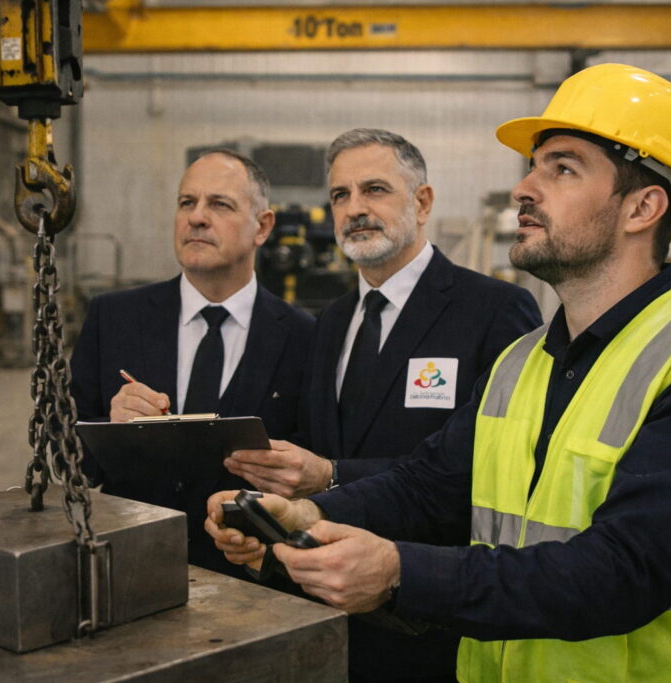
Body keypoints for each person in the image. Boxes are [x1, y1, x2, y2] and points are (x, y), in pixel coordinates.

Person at [207, 64, 671, 682]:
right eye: (533, 166)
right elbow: (430, 483)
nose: (524, 187)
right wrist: (312, 514)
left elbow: (623, 572)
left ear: (643, 206)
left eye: (562, 168)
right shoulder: (525, 361)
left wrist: (400, 572)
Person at [224, 129, 540, 682]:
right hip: (330, 604)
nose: (355, 209)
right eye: (341, 195)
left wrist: (331, 476)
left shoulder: (493, 310)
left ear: (422, 202)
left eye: (374, 190)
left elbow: (488, 464)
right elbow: (311, 445)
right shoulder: (331, 322)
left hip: (432, 613)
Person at [71, 149, 315, 579]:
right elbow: (61, 450)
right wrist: (108, 430)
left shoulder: (304, 336)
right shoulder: (114, 319)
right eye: (187, 202)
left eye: (219, 204)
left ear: (263, 226)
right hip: (130, 561)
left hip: (251, 578)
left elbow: (313, 460)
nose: (196, 218)